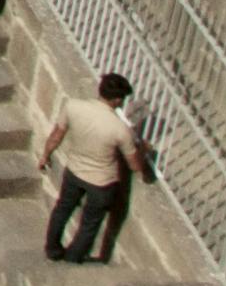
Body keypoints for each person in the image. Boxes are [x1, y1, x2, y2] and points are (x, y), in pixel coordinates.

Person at [41, 70, 149, 263]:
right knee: (90, 223)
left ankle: (53, 250)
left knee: (62, 209)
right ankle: (74, 259)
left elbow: (56, 136)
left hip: (74, 171)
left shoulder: (73, 106)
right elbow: (134, 166)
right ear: (117, 100)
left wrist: (45, 156)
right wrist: (143, 150)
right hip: (101, 183)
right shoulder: (120, 130)